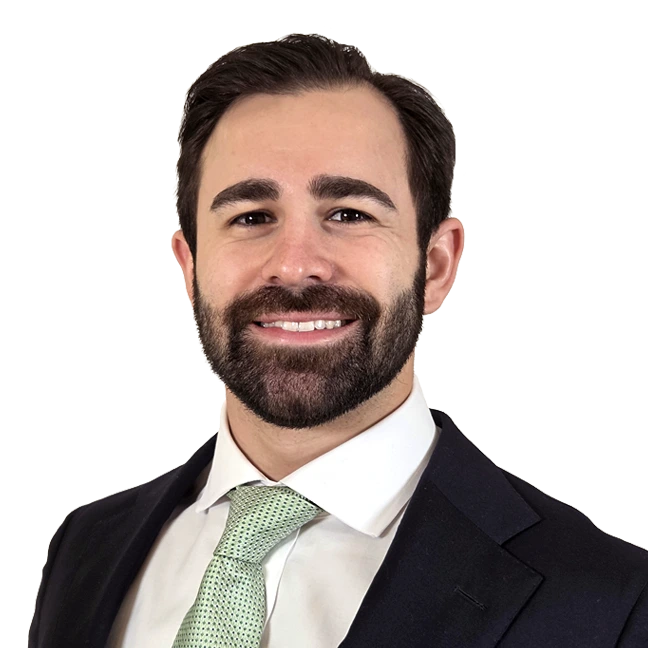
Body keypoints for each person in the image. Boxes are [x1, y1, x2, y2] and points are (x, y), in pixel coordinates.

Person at [29, 32, 648, 648]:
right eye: (251, 217)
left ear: (435, 266)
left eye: (349, 214)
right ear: (189, 268)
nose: (296, 265)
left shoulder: (611, 604)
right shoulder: (87, 548)